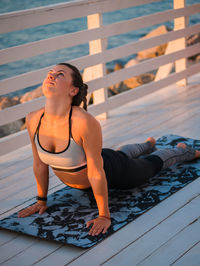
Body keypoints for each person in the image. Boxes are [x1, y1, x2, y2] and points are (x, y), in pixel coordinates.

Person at [18, 63, 200, 237]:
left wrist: (104, 215)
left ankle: (183, 150)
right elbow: (40, 163)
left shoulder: (83, 122)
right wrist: (41, 200)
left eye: (60, 74)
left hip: (115, 172)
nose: (52, 75)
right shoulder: (33, 119)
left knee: (150, 164)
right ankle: (148, 144)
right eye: (51, 72)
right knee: (120, 154)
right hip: (101, 160)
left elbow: (96, 171)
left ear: (73, 91)